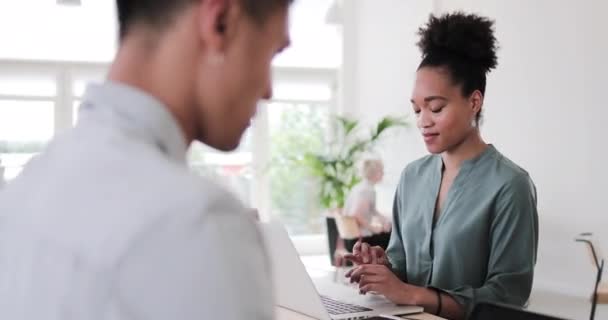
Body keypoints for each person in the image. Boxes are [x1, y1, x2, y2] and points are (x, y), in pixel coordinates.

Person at [0, 0, 291, 319]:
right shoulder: (197, 225)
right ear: (220, 22)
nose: (268, 90)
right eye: (272, 53)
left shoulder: (24, 191)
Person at [345, 12, 538, 320]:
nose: (423, 121)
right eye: (417, 109)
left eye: (436, 107)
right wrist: (383, 267)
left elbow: (507, 297)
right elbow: (402, 262)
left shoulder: (509, 185)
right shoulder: (412, 177)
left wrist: (413, 294)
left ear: (474, 102)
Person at [342, 158, 391, 251]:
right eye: (381, 171)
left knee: (388, 231)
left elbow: (372, 210)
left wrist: (385, 220)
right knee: (393, 237)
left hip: (350, 239)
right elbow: (355, 214)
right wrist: (373, 228)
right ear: (374, 173)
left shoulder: (359, 187)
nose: (383, 173)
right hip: (359, 241)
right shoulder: (366, 190)